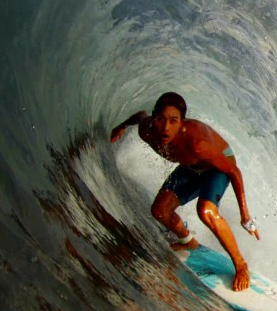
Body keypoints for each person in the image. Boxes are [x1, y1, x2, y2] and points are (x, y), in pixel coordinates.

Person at [110, 92, 260, 291]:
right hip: (191, 168)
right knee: (159, 211)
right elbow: (140, 116)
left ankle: (241, 266)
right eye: (161, 119)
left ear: (182, 123)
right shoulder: (147, 131)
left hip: (218, 167)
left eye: (173, 121)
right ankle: (188, 241)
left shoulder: (198, 145)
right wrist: (121, 127)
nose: (166, 127)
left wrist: (245, 215)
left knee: (205, 211)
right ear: (155, 118)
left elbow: (233, 171)